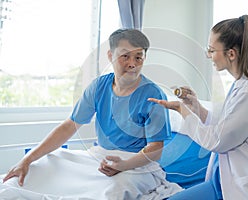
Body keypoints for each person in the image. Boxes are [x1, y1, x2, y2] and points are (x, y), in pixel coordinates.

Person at [2, 28, 182, 199]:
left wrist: (124, 165)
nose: (132, 64)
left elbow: (155, 149)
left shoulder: (152, 94)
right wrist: (27, 159)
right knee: (44, 166)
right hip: (99, 157)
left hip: (136, 165)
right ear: (111, 56)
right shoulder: (99, 87)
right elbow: (69, 126)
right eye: (125, 56)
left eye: (138, 57)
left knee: (112, 192)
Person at [148, 15, 248, 200]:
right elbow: (228, 125)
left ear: (231, 54)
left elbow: (217, 141)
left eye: (211, 50)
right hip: (223, 180)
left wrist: (183, 111)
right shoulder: (242, 84)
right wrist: (195, 107)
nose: (209, 55)